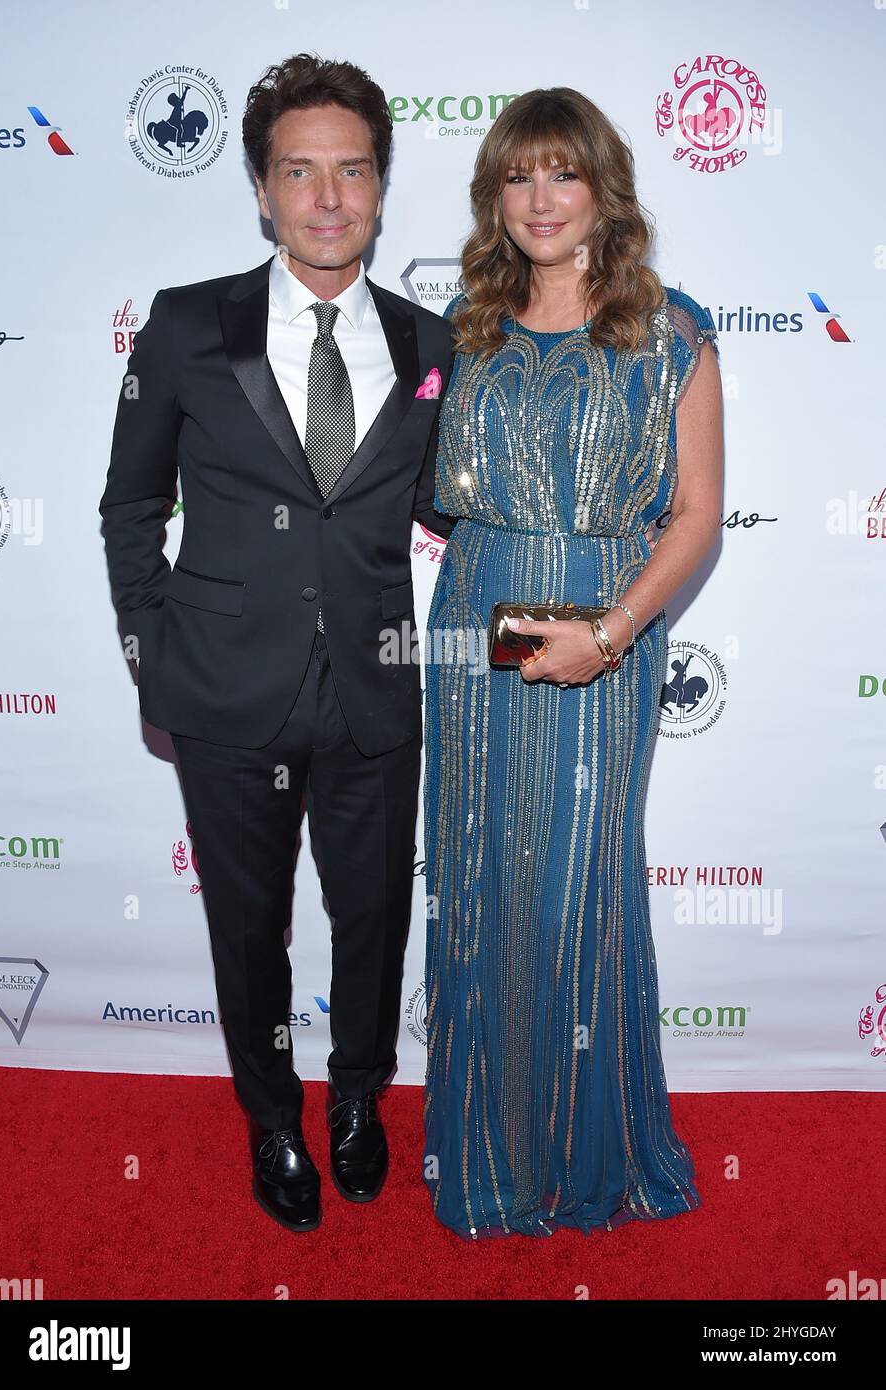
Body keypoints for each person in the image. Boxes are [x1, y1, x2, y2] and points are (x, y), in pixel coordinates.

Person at [99, 54, 456, 1233]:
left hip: (375, 693)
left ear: (380, 185)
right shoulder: (189, 324)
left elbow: (454, 509)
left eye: (351, 170)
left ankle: (358, 1101)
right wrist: (157, 655)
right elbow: (130, 508)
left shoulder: (428, 341)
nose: (327, 197)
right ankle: (271, 1118)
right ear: (261, 188)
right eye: (299, 171)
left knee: (372, 921)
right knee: (247, 932)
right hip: (224, 695)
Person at [422, 86, 723, 1239]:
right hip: (473, 617)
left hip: (609, 621)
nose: (539, 199)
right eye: (516, 175)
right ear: (494, 196)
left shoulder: (670, 328)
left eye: (561, 172)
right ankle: (490, 1149)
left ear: (604, 186)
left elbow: (695, 514)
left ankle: (585, 1142)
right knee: (480, 873)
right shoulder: (464, 325)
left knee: (579, 887)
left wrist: (607, 635)